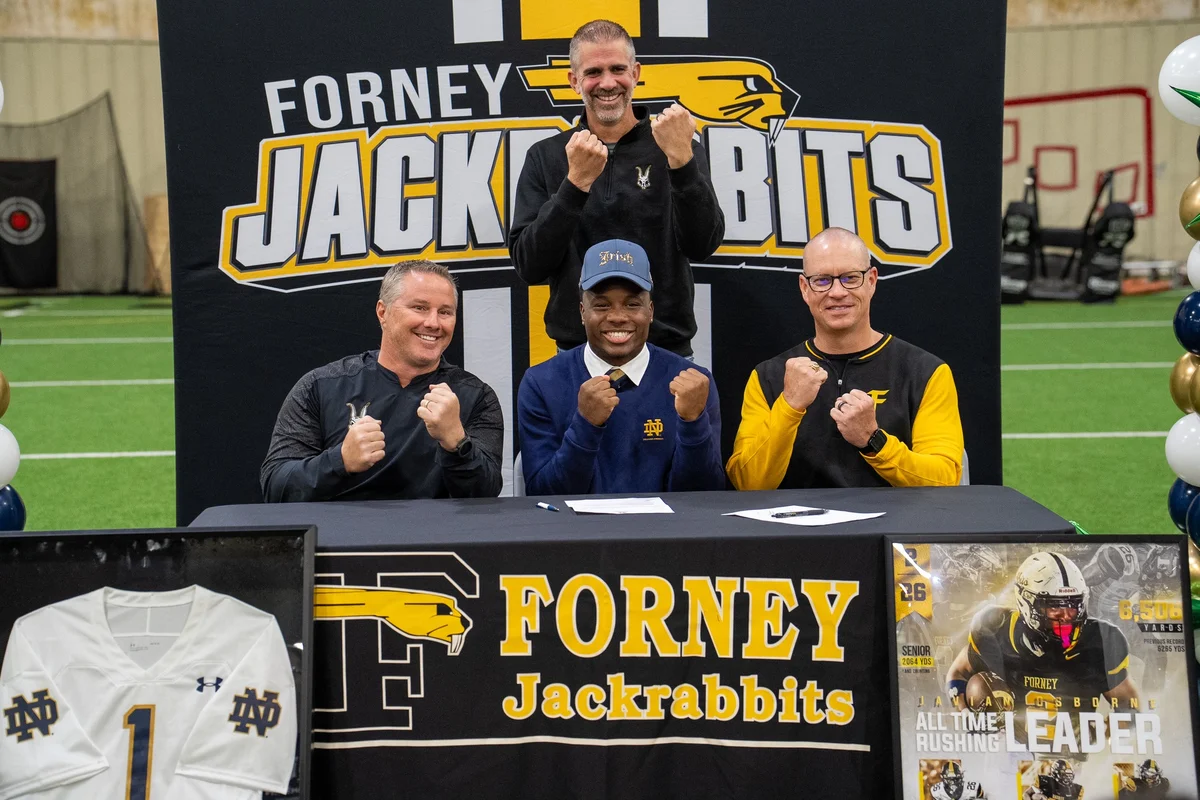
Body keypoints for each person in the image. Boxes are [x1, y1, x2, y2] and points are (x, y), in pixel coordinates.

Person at [508, 19, 724, 358]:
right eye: (593, 72)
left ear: (636, 73)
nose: (607, 83)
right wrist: (575, 184)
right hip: (576, 355)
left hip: (666, 353)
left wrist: (682, 162)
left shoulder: (676, 145)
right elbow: (529, 266)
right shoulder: (546, 156)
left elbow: (702, 246)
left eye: (618, 69)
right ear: (573, 80)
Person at [725, 227, 963, 489]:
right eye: (822, 280)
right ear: (805, 288)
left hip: (890, 529)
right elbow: (748, 484)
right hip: (797, 528)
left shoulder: (925, 372)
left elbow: (944, 481)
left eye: (851, 278)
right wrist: (789, 407)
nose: (837, 292)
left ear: (871, 281)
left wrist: (873, 440)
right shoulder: (768, 376)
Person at [261, 260, 503, 501]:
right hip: (339, 535)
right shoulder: (320, 386)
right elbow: (276, 487)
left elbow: (485, 497)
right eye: (419, 307)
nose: (433, 323)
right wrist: (340, 460)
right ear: (382, 312)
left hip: (435, 536)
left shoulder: (476, 397)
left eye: (445, 312)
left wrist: (457, 444)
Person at [517, 238, 724, 494]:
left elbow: (704, 499)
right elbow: (543, 496)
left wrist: (693, 423)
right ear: (582, 312)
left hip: (665, 533)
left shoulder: (693, 383)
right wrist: (586, 424)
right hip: (576, 533)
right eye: (602, 305)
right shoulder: (541, 383)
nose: (617, 317)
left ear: (650, 311)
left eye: (632, 304)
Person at [946, 552, 1139, 743]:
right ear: (1027, 603)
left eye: (1074, 606)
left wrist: (1097, 736)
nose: (1066, 616)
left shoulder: (1100, 641)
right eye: (1055, 607)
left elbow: (1130, 707)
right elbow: (958, 672)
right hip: (1009, 752)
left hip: (1069, 764)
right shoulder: (997, 630)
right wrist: (965, 713)